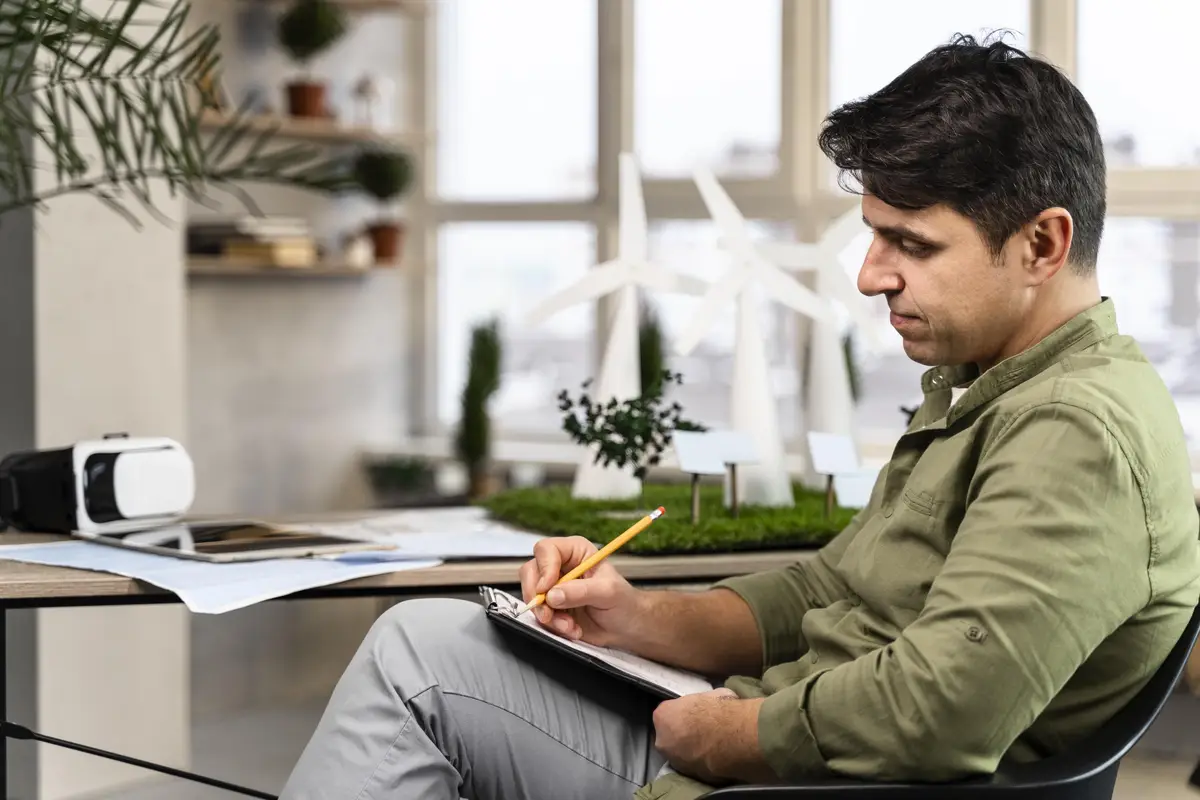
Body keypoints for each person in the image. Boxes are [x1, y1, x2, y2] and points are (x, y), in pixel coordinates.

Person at [280, 34, 1200, 800]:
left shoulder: (1076, 431)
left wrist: (731, 733)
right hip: (772, 749)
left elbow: (945, 709)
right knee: (434, 637)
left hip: (787, 780)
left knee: (418, 665)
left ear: (1042, 243)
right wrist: (636, 621)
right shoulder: (986, 390)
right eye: (876, 234)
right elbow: (826, 594)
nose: (871, 273)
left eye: (911, 243)